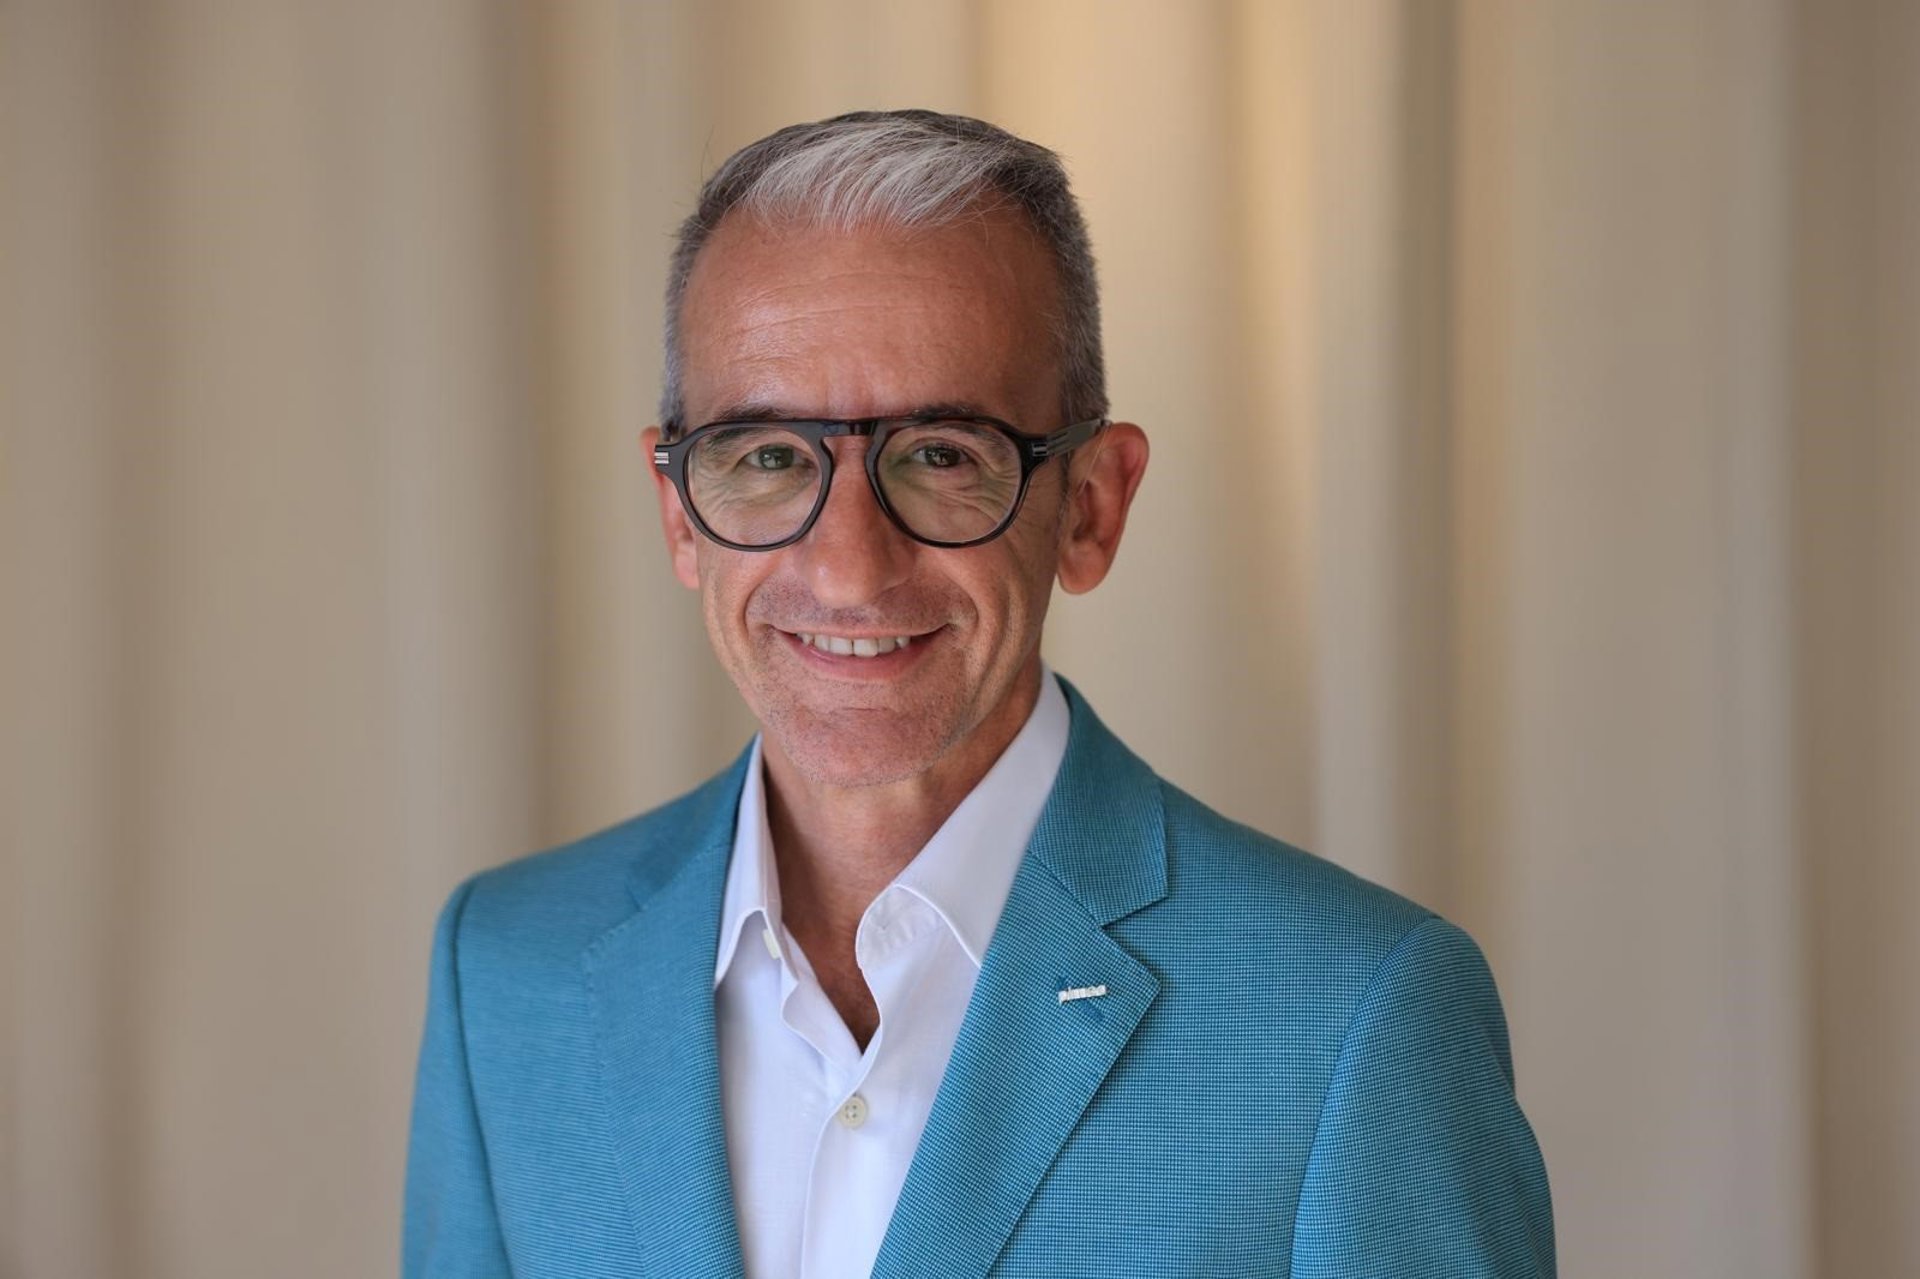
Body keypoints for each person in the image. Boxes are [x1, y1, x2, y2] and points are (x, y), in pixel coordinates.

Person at [402, 109, 1555, 1279]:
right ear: (678, 513)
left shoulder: (1358, 1015)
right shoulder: (506, 974)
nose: (849, 570)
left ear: (1092, 504)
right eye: (768, 455)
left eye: (943, 454)